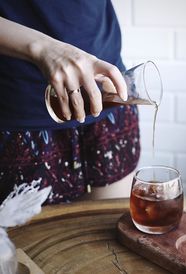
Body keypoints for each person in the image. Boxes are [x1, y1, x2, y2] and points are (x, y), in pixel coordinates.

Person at [0, 1, 140, 204]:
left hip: (110, 100)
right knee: (30, 236)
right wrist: (42, 47)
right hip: (18, 117)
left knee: (110, 228)